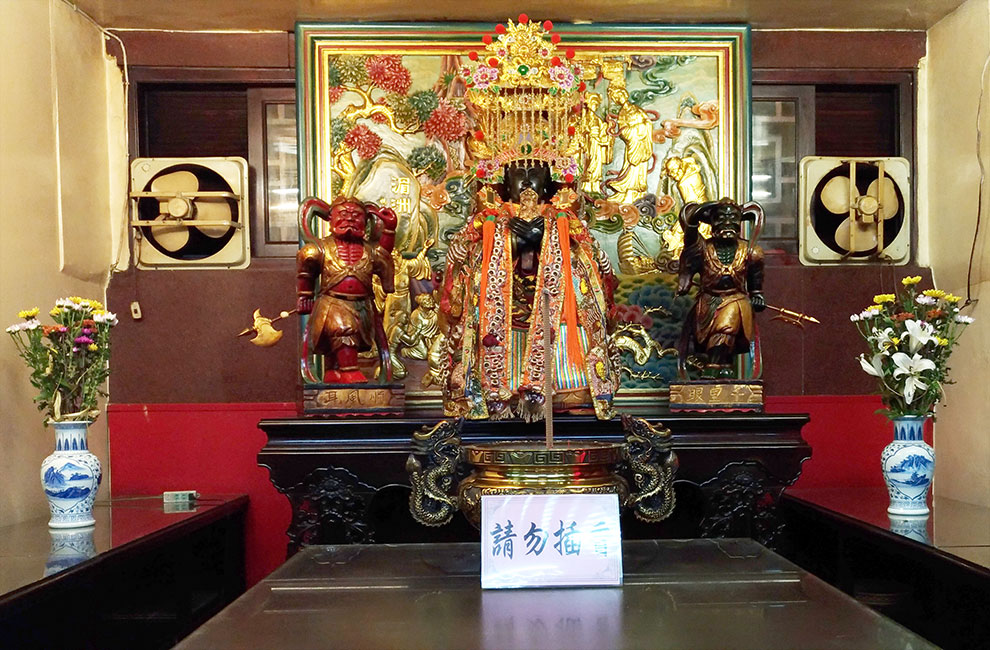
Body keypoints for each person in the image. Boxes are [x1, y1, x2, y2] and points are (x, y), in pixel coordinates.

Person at [440, 162, 620, 420]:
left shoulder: (563, 218)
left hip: (553, 309)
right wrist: (511, 242)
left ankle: (564, 389)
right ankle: (497, 392)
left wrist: (548, 239)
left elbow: (590, 258)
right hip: (503, 310)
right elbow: (462, 258)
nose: (526, 182)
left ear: (547, 183)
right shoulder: (489, 219)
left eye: (534, 174)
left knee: (569, 322)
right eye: (518, 174)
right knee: (483, 324)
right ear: (506, 182)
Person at [296, 197, 397, 383]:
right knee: (343, 329)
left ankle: (334, 371)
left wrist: (389, 228)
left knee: (351, 337)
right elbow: (306, 270)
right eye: (343, 214)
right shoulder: (320, 249)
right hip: (332, 302)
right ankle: (350, 371)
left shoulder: (369, 250)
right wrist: (304, 296)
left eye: (356, 215)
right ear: (330, 218)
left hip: (363, 303)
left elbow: (384, 254)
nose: (350, 219)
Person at [676, 198, 765, 376]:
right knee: (709, 338)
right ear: (712, 223)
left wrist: (757, 295)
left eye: (733, 218)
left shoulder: (751, 251)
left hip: (735, 298)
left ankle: (714, 367)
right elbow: (690, 232)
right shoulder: (703, 248)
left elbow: (755, 280)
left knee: (727, 328)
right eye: (721, 218)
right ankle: (724, 367)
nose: (727, 223)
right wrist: (703, 210)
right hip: (709, 300)